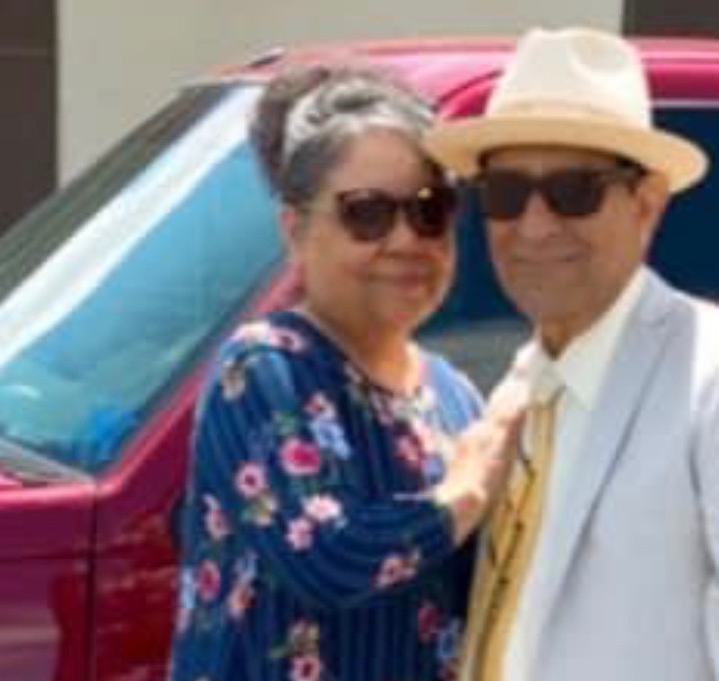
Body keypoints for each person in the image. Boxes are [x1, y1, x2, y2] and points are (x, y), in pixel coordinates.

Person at [424, 27, 719, 681]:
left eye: (575, 191)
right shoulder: (517, 390)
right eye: (505, 193)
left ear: (646, 204)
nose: (535, 226)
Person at [168, 63, 518, 681]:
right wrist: (462, 494)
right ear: (295, 230)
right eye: (367, 213)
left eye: (430, 210)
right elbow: (329, 557)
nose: (406, 240)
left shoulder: (455, 395)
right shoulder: (265, 368)